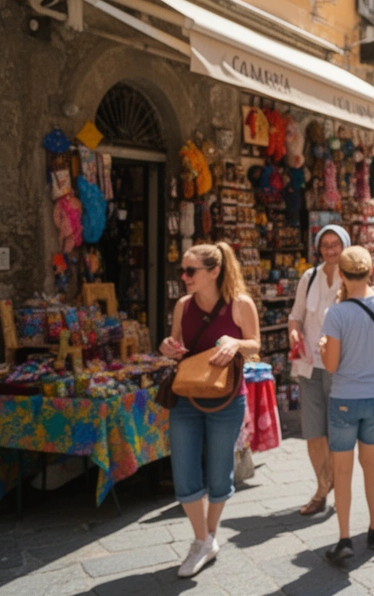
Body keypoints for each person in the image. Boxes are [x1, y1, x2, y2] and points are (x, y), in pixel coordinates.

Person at [159, 243, 260, 578]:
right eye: (183, 271)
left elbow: (255, 345)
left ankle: (209, 535)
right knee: (184, 470)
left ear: (214, 271)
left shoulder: (240, 304)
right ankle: (202, 539)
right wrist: (168, 347)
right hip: (186, 396)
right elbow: (176, 345)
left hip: (227, 398)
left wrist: (236, 343)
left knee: (219, 471)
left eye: (191, 271)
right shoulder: (183, 305)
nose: (184, 277)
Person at [319, 246, 374, 565]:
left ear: (341, 274)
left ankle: (344, 538)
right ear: (371, 271)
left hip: (345, 398)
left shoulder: (337, 313)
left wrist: (323, 347)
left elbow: (331, 365)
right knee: (371, 464)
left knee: (342, 470)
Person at [288, 224, 349, 516]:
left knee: (337, 432)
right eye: (325, 244)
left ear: (345, 246)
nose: (330, 249)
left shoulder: (351, 277)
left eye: (335, 244)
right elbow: (295, 316)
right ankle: (322, 488)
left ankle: (335, 486)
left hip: (339, 366)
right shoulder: (309, 277)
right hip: (309, 363)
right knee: (314, 432)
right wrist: (294, 332)